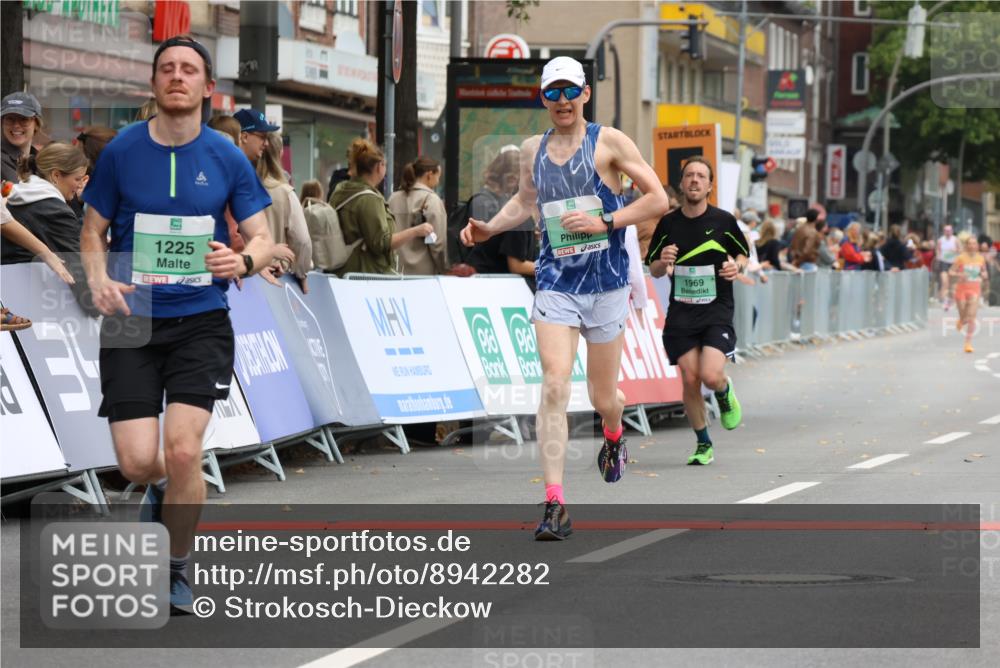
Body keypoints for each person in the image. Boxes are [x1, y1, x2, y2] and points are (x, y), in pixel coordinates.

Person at [79, 35, 275, 614]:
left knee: (185, 450)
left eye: (189, 69)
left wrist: (242, 261)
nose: (177, 76)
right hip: (131, 320)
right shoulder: (122, 151)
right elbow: (91, 231)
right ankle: (165, 487)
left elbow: (263, 238)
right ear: (154, 82)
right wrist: (97, 278)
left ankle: (175, 567)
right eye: (167, 68)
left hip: (200, 319)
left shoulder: (226, 155)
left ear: (207, 87)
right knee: (137, 462)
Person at [461, 57, 669, 540]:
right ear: (543, 98)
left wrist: (605, 222)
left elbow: (657, 199)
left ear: (585, 94)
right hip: (556, 283)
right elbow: (526, 201)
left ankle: (613, 432)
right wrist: (491, 227)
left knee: (603, 397)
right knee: (555, 383)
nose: (561, 100)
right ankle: (555, 503)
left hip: (607, 283)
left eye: (569, 91)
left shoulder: (609, 142)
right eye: (552, 92)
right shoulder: (533, 149)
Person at [646, 157, 748, 467]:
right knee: (690, 379)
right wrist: (663, 260)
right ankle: (703, 443)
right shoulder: (668, 223)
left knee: (710, 375)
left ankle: (723, 390)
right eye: (689, 175)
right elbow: (654, 268)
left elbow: (743, 254)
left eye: (701, 176)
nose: (694, 180)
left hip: (717, 310)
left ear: (709, 186)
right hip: (682, 313)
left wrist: (736, 266)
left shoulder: (724, 221)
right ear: (682, 183)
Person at [328, 138, 433, 276]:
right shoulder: (369, 199)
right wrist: (416, 231)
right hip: (365, 274)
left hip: (341, 272)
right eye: (385, 165)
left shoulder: (341, 190)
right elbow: (382, 243)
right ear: (379, 166)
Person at [3, 143, 89, 266]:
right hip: (26, 276)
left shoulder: (20, 195)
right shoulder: (57, 211)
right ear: (56, 175)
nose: (80, 185)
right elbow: (77, 264)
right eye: (77, 179)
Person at [465, 147, 538, 289]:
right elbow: (515, 263)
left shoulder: (504, 202)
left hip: (494, 279)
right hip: (490, 279)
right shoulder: (485, 203)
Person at [256, 132, 312, 292]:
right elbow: (302, 240)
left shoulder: (242, 186)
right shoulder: (285, 193)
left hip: (244, 273)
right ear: (280, 153)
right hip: (276, 275)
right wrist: (301, 272)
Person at [387, 156, 448, 276]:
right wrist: (444, 270)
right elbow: (437, 244)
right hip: (424, 275)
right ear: (430, 175)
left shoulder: (393, 198)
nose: (438, 181)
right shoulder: (432, 200)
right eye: (438, 176)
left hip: (395, 272)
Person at [949, 235, 988, 353]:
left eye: (974, 243)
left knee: (971, 316)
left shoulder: (981, 259)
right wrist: (959, 275)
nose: (972, 246)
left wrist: (984, 275)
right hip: (961, 289)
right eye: (969, 243)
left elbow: (984, 271)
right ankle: (961, 320)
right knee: (965, 318)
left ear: (977, 246)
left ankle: (968, 343)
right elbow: (950, 271)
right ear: (966, 245)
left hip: (975, 288)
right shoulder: (960, 258)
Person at [2, 92, 43, 183]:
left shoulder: (42, 161)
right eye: (10, 119)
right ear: (2, 123)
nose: (16, 125)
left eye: (24, 119)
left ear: (36, 124)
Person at [936, 224, 960, 309]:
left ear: (952, 231)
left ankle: (952, 301)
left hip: (953, 263)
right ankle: (943, 300)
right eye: (946, 230)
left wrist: (955, 250)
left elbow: (960, 250)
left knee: (953, 283)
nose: (948, 232)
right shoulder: (940, 240)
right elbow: (938, 250)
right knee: (944, 281)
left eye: (949, 230)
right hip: (944, 262)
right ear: (944, 231)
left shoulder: (955, 239)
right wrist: (938, 256)